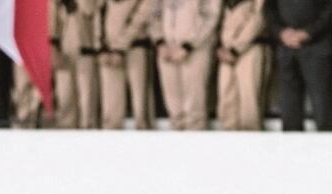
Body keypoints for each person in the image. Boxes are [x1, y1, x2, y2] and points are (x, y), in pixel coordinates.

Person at [265, 0, 332, 130]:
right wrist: (281, 32)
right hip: (286, 47)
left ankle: (327, 148)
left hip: (319, 46)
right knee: (289, 109)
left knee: (322, 107)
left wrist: (308, 33)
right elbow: (269, 8)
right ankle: (291, 148)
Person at [153, 0, 222, 129]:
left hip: (196, 49)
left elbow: (211, 16)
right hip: (167, 49)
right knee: (174, 109)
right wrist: (159, 41)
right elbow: (153, 13)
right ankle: (178, 145)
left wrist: (188, 46)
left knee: (194, 108)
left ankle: (195, 145)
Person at [99, 0, 156, 129]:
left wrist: (120, 46)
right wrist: (102, 47)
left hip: (136, 46)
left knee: (141, 109)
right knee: (110, 112)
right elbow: (99, 13)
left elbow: (142, 17)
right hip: (109, 50)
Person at [217, 0, 269, 129]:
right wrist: (219, 46)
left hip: (251, 47)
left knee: (249, 103)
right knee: (226, 102)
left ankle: (251, 145)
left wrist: (236, 49)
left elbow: (259, 19)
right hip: (225, 49)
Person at [52, 0, 101, 129]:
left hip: (86, 50)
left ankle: (88, 134)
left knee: (87, 100)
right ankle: (65, 136)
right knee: (65, 99)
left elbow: (90, 9)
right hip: (63, 51)